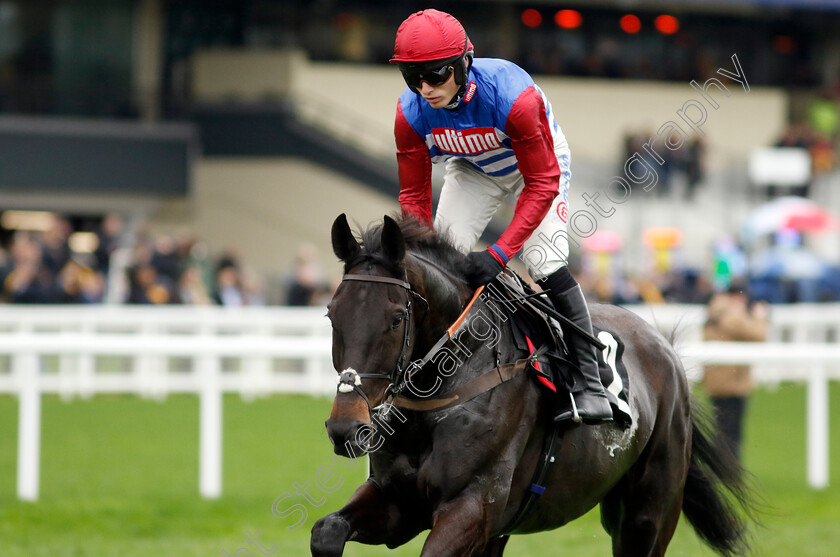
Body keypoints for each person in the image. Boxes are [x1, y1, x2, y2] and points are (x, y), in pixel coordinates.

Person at [390, 9, 612, 423]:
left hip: (538, 168)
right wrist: (417, 253)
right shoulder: (410, 112)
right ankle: (430, 373)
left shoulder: (513, 97)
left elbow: (543, 183)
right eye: (412, 77)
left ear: (463, 64)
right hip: (474, 169)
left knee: (543, 260)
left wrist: (499, 253)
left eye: (436, 75)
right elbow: (413, 195)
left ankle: (591, 380)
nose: (425, 88)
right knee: (437, 264)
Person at [702, 287, 768, 461]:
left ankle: (722, 467)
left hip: (716, 380)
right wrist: (760, 317)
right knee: (731, 431)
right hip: (732, 382)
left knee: (722, 428)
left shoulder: (714, 311)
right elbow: (758, 335)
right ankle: (728, 469)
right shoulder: (731, 314)